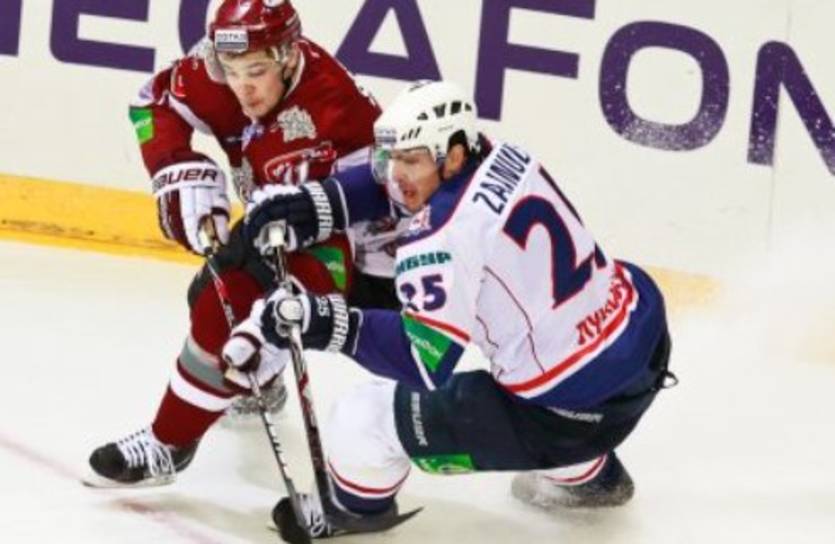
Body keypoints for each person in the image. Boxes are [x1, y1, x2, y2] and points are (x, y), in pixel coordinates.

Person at [221, 80, 675, 539]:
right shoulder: (502, 155)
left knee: (362, 420)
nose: (396, 173)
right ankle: (589, 477)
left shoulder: (439, 238)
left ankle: (349, 511)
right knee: (539, 358)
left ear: (453, 155)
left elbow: (422, 362)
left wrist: (323, 322)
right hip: (642, 336)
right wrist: (318, 203)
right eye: (391, 157)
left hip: (566, 413)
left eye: (411, 160)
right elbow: (401, 188)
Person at [85, 0, 402, 488]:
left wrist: (282, 312)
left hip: (365, 258)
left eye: (256, 72)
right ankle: (244, 397)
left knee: (235, 308)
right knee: (210, 298)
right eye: (231, 72)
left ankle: (168, 442)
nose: (242, 88)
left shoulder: (338, 111)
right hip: (281, 218)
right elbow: (151, 103)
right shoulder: (214, 71)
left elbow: (357, 226)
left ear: (288, 56)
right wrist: (174, 165)